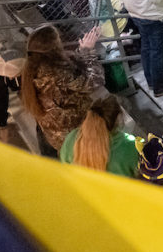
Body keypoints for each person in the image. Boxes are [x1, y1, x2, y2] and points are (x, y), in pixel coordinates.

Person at [20, 25, 102, 155]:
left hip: (58, 137)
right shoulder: (56, 73)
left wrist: (82, 51)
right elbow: (95, 82)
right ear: (54, 46)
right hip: (77, 136)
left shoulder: (32, 68)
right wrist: (89, 51)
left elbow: (71, 76)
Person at [59, 95, 141, 177]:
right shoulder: (129, 146)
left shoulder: (72, 137)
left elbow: (65, 167)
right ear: (117, 121)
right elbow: (139, 174)